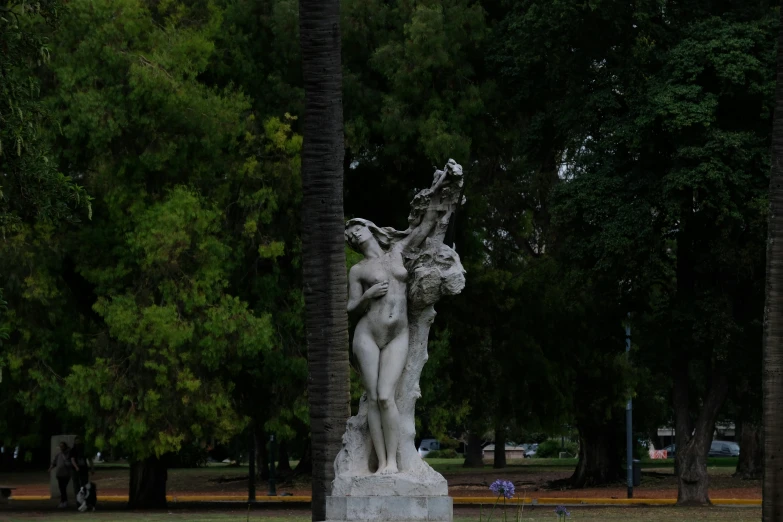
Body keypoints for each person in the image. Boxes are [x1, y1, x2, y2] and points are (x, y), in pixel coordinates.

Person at [344, 161, 457, 475]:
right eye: (349, 236)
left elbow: (425, 226)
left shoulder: (397, 252)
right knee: (374, 399)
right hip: (368, 333)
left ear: (369, 228)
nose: (352, 235)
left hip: (398, 332)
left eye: (355, 229)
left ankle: (394, 461)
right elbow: (350, 307)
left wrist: (440, 190)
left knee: (385, 395)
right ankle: (382, 464)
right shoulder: (357, 270)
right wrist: (367, 296)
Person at [48, 441, 72, 508]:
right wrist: (50, 468)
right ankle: (63, 501)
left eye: (62, 446)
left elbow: (71, 463)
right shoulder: (58, 455)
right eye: (60, 446)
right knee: (61, 488)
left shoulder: (69, 454)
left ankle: (64, 501)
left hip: (66, 474)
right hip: (59, 474)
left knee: (63, 488)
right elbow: (54, 463)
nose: (61, 447)